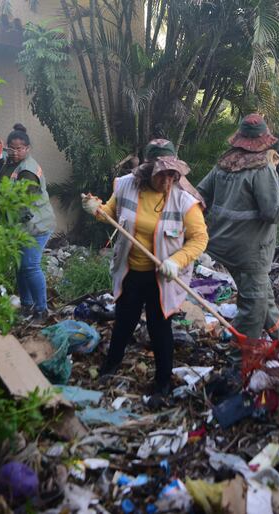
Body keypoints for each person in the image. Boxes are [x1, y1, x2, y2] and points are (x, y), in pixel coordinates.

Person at [81, 156, 208, 406]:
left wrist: (177, 260)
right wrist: (96, 209)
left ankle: (163, 383)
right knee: (124, 321)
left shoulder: (184, 200)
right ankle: (111, 365)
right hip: (131, 270)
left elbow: (200, 238)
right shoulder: (127, 185)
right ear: (148, 171)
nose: (167, 181)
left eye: (172, 175)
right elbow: (111, 213)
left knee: (159, 328)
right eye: (161, 175)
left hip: (163, 276)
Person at [196, 113, 279, 342]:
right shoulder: (262, 168)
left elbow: (200, 195)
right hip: (250, 253)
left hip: (221, 246)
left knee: (263, 297)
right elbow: (273, 213)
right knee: (253, 310)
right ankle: (240, 358)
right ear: (263, 140)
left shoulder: (225, 162)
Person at [0, 123, 57, 320]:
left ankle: (41, 310)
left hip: (37, 225)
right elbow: (4, 176)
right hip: (20, 226)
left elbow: (20, 202)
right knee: (20, 266)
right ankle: (26, 305)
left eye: (19, 149)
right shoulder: (11, 162)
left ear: (27, 149)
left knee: (30, 266)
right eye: (11, 148)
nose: (15, 152)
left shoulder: (28, 171)